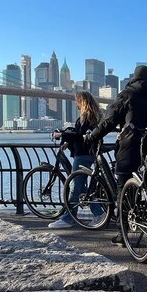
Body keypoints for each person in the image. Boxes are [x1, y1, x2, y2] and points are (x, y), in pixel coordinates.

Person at [85, 65, 147, 246]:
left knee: (122, 190)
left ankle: (122, 234)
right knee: (141, 182)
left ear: (133, 78)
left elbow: (108, 121)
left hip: (129, 147)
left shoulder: (127, 94)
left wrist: (92, 137)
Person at [48, 91, 104, 229]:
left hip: (83, 155)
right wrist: (68, 142)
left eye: (77, 101)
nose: (76, 104)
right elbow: (80, 135)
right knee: (81, 188)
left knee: (74, 187)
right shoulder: (93, 116)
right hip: (89, 153)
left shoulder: (86, 117)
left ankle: (68, 219)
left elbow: (81, 136)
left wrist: (62, 134)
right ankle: (98, 213)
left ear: (82, 102)